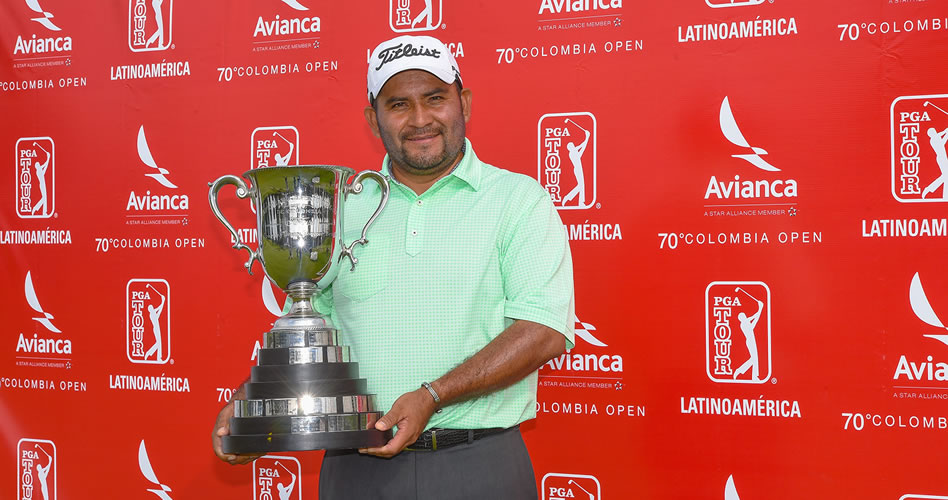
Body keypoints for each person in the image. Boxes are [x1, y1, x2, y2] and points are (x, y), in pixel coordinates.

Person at [212, 34, 575, 499]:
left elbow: (543, 330)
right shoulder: (342, 209)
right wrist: (256, 399)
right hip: (356, 471)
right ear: (373, 118)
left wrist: (433, 396)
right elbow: (311, 329)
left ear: (463, 102)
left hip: (479, 467)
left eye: (436, 98)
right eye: (399, 104)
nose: (420, 119)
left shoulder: (518, 201)